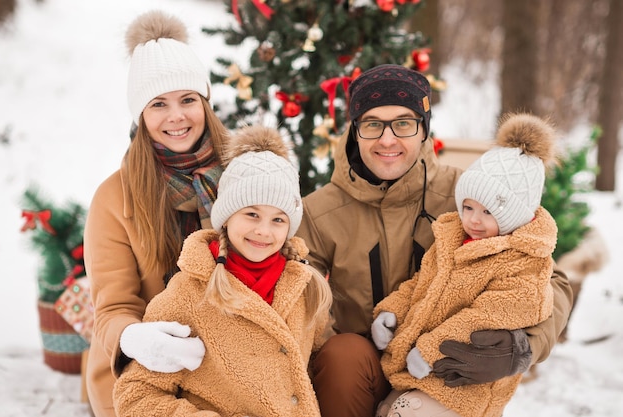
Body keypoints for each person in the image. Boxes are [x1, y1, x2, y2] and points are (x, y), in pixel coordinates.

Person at [296, 64, 574, 417]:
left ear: (424, 130)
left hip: (443, 372)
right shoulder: (317, 213)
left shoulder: (471, 196)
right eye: (371, 124)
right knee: (342, 353)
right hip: (357, 372)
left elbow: (550, 278)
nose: (387, 139)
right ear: (355, 131)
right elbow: (300, 299)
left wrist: (521, 347)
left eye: (403, 123)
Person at [112, 125, 333, 417]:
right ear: (226, 218)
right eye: (251, 214)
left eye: (278, 220)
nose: (263, 231)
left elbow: (311, 373)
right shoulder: (187, 294)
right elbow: (135, 396)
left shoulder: (303, 287)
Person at [83, 10, 230, 417]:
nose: (176, 116)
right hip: (148, 370)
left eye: (188, 100)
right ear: (141, 116)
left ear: (205, 103)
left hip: (233, 357)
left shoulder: (243, 175)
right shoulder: (114, 198)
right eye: (158, 104)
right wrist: (134, 338)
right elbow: (112, 309)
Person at [371, 113, 558, 417]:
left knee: (406, 411)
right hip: (423, 372)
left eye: (488, 211)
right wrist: (391, 311)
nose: (473, 219)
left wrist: (431, 350)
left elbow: (482, 318)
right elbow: (421, 285)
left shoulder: (525, 263)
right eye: (468, 207)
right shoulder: (454, 239)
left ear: (515, 215)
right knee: (387, 410)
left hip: (466, 384)